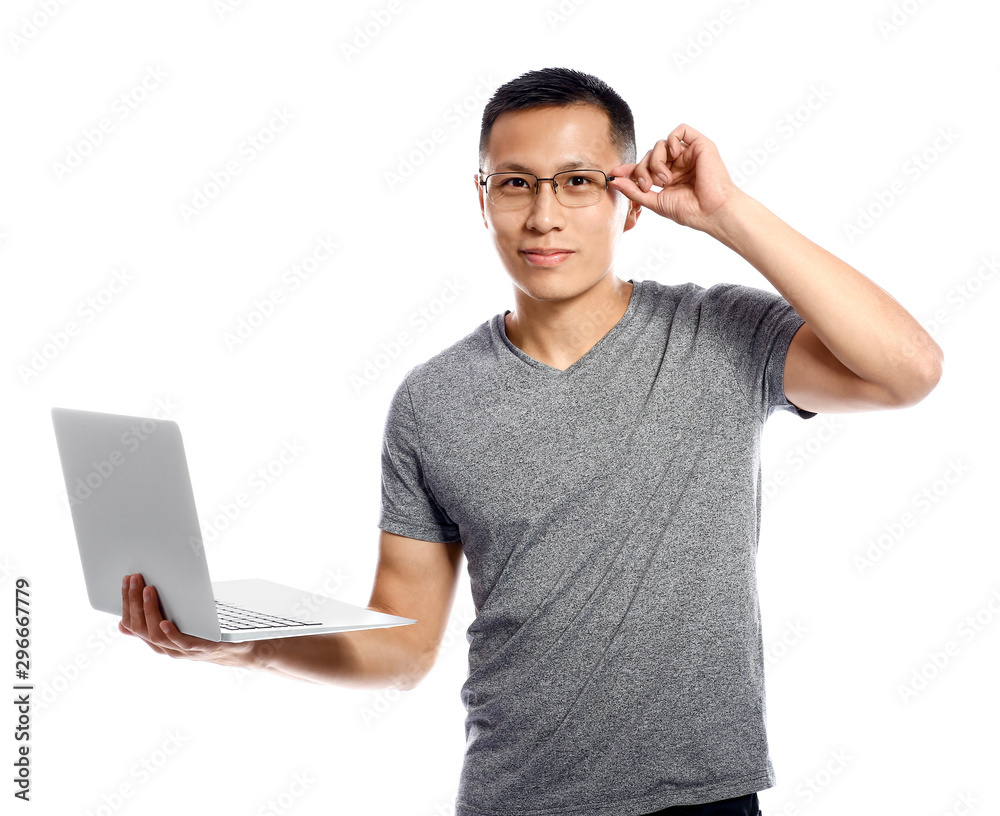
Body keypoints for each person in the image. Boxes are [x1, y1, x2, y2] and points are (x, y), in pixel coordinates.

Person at [120, 67, 943, 816]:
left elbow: (908, 370)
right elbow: (403, 648)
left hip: (703, 804)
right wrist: (245, 647)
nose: (543, 214)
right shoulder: (431, 401)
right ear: (481, 199)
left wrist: (728, 214)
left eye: (577, 182)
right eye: (516, 184)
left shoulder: (719, 334)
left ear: (627, 198)